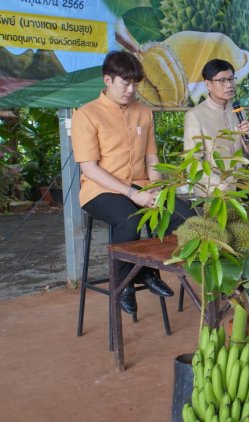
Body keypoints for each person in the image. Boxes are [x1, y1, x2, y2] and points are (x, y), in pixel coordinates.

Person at [72, 51, 194, 314]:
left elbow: (152, 157)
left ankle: (149, 268)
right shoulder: (86, 114)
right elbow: (89, 168)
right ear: (107, 80)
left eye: (135, 83)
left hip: (141, 186)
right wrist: (131, 192)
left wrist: (156, 187)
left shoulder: (143, 112)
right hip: (100, 190)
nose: (131, 89)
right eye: (125, 83)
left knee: (185, 215)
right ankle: (128, 280)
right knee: (130, 218)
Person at [183, 59, 249, 195]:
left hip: (240, 184)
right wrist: (219, 184)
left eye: (231, 79)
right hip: (212, 190)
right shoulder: (195, 115)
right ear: (208, 84)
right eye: (222, 80)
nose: (229, 85)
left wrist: (248, 136)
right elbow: (192, 161)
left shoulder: (238, 111)